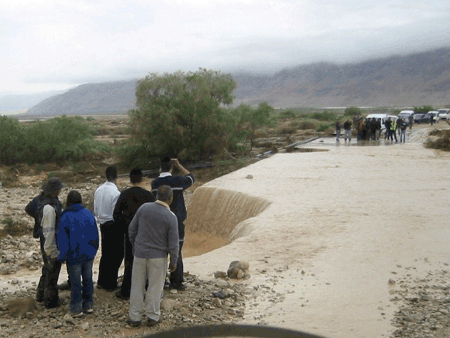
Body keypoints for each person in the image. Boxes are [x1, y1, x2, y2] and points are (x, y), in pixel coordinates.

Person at [128, 185, 179, 327]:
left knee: (137, 286)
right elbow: (173, 243)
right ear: (170, 198)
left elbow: (132, 230)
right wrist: (174, 261)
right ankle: (152, 316)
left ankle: (135, 318)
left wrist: (135, 246)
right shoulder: (171, 217)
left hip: (139, 254)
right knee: (155, 287)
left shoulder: (144, 208)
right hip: (158, 257)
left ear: (156, 196)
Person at [151, 158, 194, 290]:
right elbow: (191, 178)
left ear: (160, 169)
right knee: (177, 251)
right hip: (177, 221)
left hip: (160, 222)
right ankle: (177, 282)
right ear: (171, 168)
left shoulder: (155, 183)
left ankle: (161, 280)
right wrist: (179, 165)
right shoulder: (178, 181)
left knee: (161, 251)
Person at [113, 168, 155, 300]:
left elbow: (116, 214)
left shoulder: (125, 194)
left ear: (130, 180)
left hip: (129, 233)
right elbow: (155, 214)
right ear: (142, 179)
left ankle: (126, 290)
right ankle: (147, 289)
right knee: (147, 261)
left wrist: (125, 227)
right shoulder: (149, 195)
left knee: (130, 261)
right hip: (146, 234)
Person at [58, 191, 99, 317]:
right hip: (88, 253)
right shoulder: (89, 214)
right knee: (88, 278)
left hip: (73, 255)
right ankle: (89, 305)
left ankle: (76, 308)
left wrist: (62, 256)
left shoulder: (65, 217)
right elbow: (95, 234)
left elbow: (63, 240)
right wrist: (94, 250)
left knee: (76, 282)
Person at [34, 177, 64, 308]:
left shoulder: (43, 201)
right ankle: (50, 301)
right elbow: (49, 230)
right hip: (49, 241)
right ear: (55, 190)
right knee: (52, 271)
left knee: (47, 268)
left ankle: (40, 294)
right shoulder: (49, 208)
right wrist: (52, 250)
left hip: (45, 239)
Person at [94, 166, 122, 291]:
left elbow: (95, 209)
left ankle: (101, 281)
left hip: (102, 224)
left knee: (105, 253)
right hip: (112, 224)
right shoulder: (116, 193)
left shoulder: (98, 190)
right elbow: (116, 212)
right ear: (116, 177)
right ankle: (111, 283)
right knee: (115, 254)